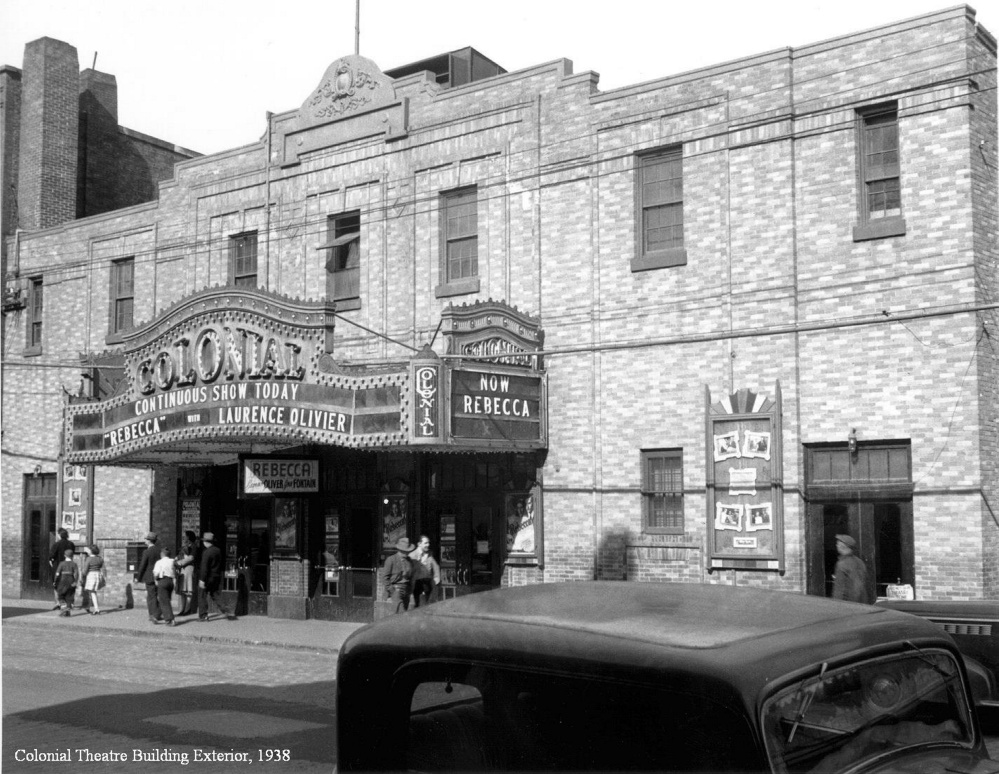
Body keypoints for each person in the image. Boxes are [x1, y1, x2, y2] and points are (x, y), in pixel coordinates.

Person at [198, 532, 236, 621]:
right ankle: (227, 611)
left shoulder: (206, 552)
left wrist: (202, 579)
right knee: (215, 594)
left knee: (202, 595)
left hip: (207, 577)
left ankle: (203, 615)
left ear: (206, 542)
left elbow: (204, 567)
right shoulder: (217, 550)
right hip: (216, 576)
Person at [831, 534, 871, 604]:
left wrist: (835, 606)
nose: (837, 545)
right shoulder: (860, 562)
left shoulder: (842, 564)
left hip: (848, 605)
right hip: (863, 604)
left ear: (843, 546)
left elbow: (839, 590)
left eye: (838, 543)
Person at [135, 531, 163, 624]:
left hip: (149, 577)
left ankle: (153, 615)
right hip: (159, 576)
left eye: (146, 540)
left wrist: (138, 578)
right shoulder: (160, 550)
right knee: (157, 595)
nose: (145, 541)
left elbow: (142, 565)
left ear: (149, 541)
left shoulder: (147, 552)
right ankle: (157, 613)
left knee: (151, 596)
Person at [383, 537, 414, 613]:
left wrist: (410, 589)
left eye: (408, 551)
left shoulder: (409, 561)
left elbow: (411, 576)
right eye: (405, 551)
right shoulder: (391, 560)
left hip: (406, 590)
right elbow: (385, 578)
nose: (407, 553)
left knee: (400, 615)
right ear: (400, 550)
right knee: (401, 612)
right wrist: (392, 590)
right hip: (396, 589)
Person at [409, 535, 441, 607]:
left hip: (428, 583)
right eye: (426, 543)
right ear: (419, 544)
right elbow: (409, 572)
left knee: (429, 604)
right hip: (417, 584)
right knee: (419, 606)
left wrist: (436, 578)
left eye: (428, 543)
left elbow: (436, 566)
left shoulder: (429, 554)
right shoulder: (412, 555)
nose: (428, 545)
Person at [49, 528, 76, 610]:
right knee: (68, 585)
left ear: (59, 535)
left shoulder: (56, 544)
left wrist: (51, 562)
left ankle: (59, 603)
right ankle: (70, 603)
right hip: (69, 567)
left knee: (56, 584)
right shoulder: (71, 544)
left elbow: (51, 556)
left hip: (58, 567)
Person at [175, 531, 198, 616]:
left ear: (189, 537)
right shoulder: (184, 547)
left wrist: (179, 563)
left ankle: (187, 609)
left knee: (188, 590)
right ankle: (182, 610)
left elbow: (191, 558)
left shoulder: (194, 546)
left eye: (185, 536)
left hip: (189, 569)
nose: (184, 537)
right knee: (182, 591)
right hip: (183, 570)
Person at [153, 547, 177, 626]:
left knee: (164, 600)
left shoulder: (159, 562)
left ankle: (170, 619)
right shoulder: (172, 561)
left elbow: (156, 574)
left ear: (162, 554)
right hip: (171, 581)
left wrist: (156, 580)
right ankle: (156, 616)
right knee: (165, 600)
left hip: (162, 581)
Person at [53, 548, 79, 617]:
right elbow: (76, 574)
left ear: (65, 555)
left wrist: (55, 581)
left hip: (62, 580)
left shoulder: (61, 563)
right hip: (71, 580)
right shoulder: (74, 564)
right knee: (69, 596)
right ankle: (67, 611)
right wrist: (75, 581)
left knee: (61, 595)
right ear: (72, 556)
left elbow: (57, 573)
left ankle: (64, 610)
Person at [81, 545, 105, 615]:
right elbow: (102, 567)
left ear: (91, 551)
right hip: (97, 574)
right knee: (91, 591)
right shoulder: (100, 558)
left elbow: (85, 570)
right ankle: (88, 607)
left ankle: (96, 609)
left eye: (88, 550)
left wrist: (83, 575)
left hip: (91, 575)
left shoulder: (88, 559)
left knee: (92, 592)